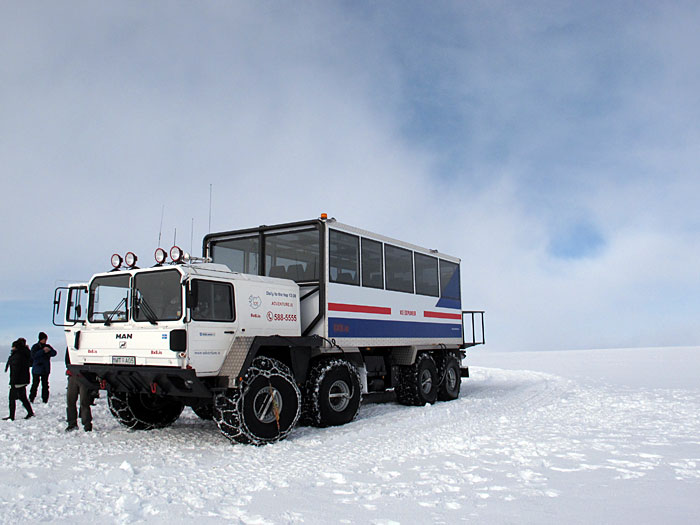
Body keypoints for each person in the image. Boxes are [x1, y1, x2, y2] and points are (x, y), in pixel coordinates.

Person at [65, 348, 96, 432]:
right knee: (70, 401)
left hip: (84, 377)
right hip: (73, 376)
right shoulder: (70, 348)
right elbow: (67, 360)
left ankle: (87, 424)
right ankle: (72, 423)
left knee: (84, 402)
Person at [3, 339, 35, 420]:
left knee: (12, 398)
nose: (12, 348)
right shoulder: (24, 354)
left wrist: (12, 382)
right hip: (23, 380)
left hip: (17, 381)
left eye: (13, 346)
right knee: (22, 397)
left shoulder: (17, 356)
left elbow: (15, 370)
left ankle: (11, 416)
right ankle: (30, 412)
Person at [29, 332, 57, 403]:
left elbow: (54, 353)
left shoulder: (48, 346)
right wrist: (42, 351)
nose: (45, 340)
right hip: (37, 369)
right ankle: (31, 398)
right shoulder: (35, 347)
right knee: (35, 384)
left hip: (45, 369)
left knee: (45, 385)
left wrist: (49, 350)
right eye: (44, 339)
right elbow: (33, 356)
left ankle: (45, 400)